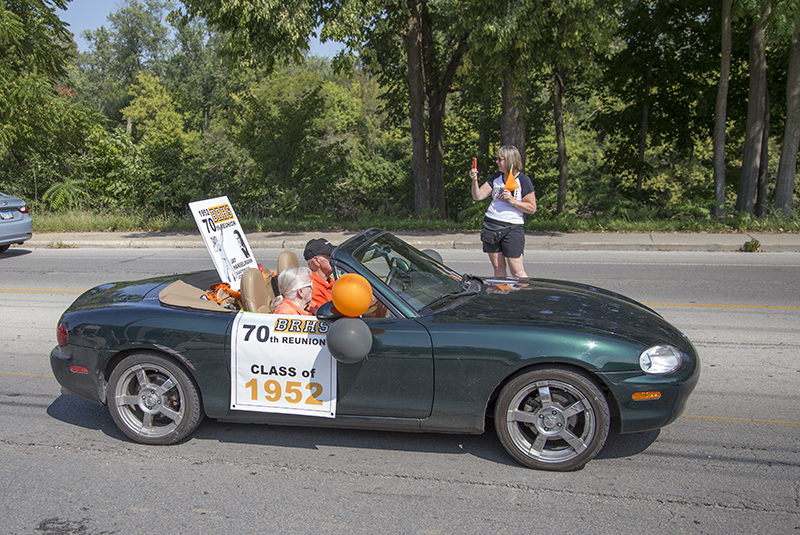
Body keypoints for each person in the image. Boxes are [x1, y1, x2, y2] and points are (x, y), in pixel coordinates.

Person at [470, 145, 537, 278]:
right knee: (498, 268)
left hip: (512, 227)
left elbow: (532, 208)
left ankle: (525, 297)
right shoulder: (496, 177)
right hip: (492, 225)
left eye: (500, 159)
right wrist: (474, 180)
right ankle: (501, 295)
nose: (497, 162)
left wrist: (513, 201)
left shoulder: (523, 180)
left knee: (517, 271)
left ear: (510, 160)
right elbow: (477, 196)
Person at [303, 238, 336, 314]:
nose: (334, 258)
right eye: (329, 256)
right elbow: (328, 315)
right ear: (316, 261)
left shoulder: (329, 281)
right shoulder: (312, 289)